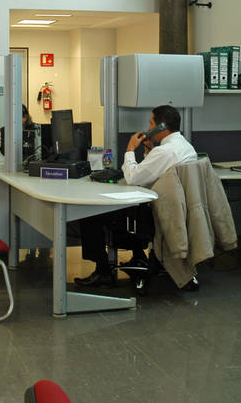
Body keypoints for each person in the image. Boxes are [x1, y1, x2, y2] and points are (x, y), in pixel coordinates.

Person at [75, 104, 197, 287]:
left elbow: (133, 178)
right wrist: (149, 151)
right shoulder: (185, 147)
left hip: (153, 215)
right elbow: (152, 174)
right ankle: (138, 257)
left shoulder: (164, 152)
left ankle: (102, 271)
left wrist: (130, 149)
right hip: (173, 211)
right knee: (131, 209)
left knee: (90, 215)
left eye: (151, 124)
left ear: (161, 127)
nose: (148, 129)